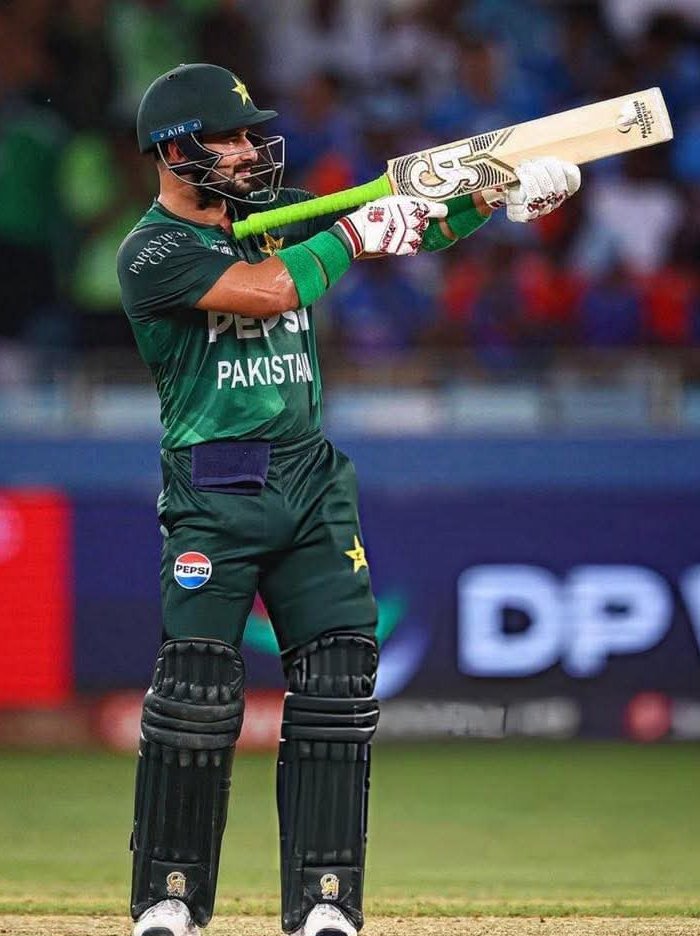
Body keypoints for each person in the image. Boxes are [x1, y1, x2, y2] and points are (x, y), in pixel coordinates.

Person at [117, 62, 581, 936]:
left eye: (251, 134)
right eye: (230, 138)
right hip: (215, 487)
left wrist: (498, 198)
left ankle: (325, 904)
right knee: (197, 691)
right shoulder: (151, 253)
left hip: (310, 480)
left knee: (337, 685)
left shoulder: (279, 216)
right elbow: (274, 289)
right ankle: (169, 898)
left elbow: (412, 220)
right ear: (176, 153)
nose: (251, 150)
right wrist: (355, 233)